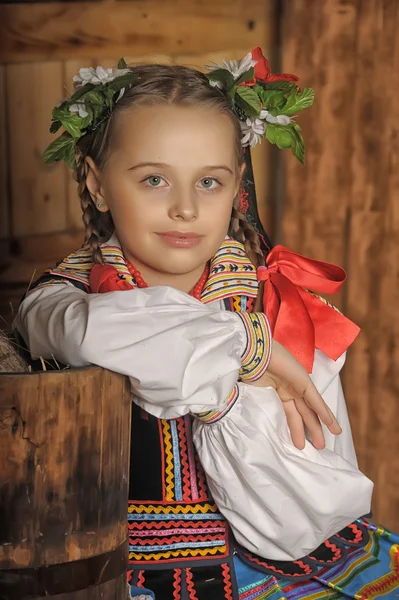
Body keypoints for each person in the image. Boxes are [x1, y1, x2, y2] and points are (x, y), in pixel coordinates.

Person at [15, 49, 399, 599]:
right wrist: (243, 353)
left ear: (238, 184)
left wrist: (229, 392)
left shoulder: (280, 310)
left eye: (209, 183)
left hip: (265, 571)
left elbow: (302, 516)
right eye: (153, 180)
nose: (186, 209)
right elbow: (91, 330)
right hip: (114, 581)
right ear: (98, 185)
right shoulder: (61, 302)